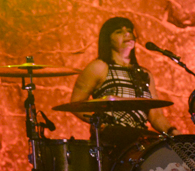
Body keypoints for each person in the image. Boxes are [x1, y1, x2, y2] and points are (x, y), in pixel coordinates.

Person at [69, 17, 178, 161]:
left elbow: (156, 116)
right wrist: (99, 122)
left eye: (129, 31)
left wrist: (173, 132)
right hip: (112, 142)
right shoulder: (99, 67)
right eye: (119, 32)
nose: (127, 34)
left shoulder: (145, 74)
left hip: (139, 141)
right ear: (108, 40)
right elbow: (76, 103)